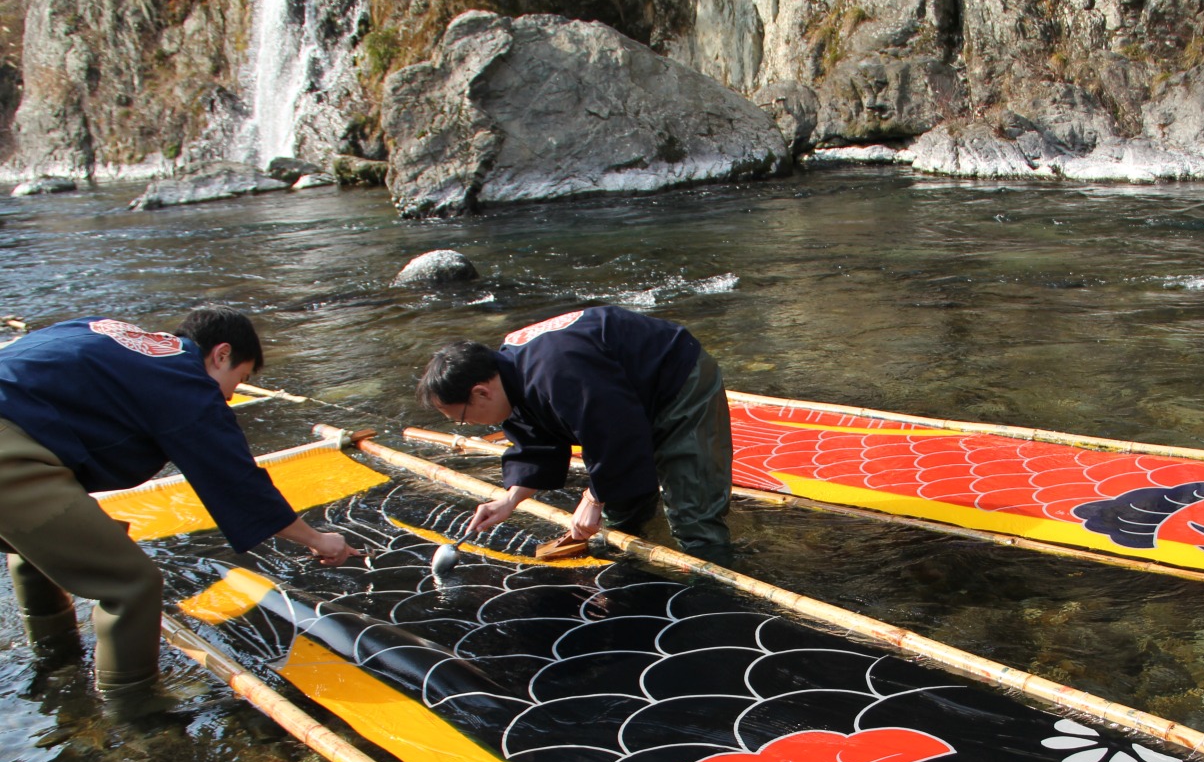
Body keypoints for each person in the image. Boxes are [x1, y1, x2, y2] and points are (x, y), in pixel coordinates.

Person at [0, 308, 361, 716]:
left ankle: (56, 658)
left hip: (18, 431)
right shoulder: (183, 376)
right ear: (220, 354)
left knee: (34, 548)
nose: (229, 396)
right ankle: (133, 711)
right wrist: (317, 539)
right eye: (238, 381)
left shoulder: (112, 334)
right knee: (130, 585)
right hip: (9, 453)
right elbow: (236, 480)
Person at [416, 305, 733, 557]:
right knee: (620, 514)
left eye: (461, 417)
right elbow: (536, 444)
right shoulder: (508, 374)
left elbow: (617, 432)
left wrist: (594, 497)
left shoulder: (558, 371)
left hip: (675, 378)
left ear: (481, 392)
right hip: (625, 395)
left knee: (693, 514)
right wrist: (509, 501)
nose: (467, 426)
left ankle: (714, 590)